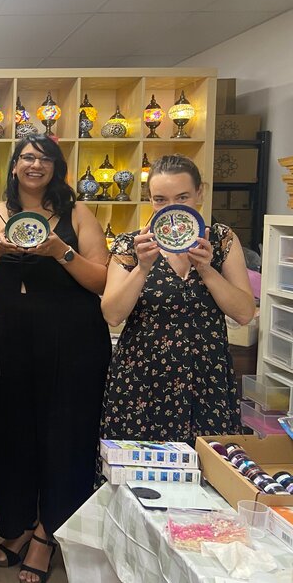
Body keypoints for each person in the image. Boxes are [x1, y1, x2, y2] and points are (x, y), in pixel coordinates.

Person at [0, 134, 110, 583]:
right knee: (14, 434)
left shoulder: (77, 213)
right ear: (13, 166)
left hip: (74, 339)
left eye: (45, 158)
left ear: (57, 168)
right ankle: (22, 523)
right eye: (27, 157)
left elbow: (101, 281)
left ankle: (48, 534)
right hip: (11, 339)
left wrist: (58, 251)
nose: (35, 164)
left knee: (65, 436)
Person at [101, 154, 255, 444]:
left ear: (200, 193)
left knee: (209, 471)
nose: (171, 209)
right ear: (150, 200)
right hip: (142, 379)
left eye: (182, 198)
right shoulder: (131, 245)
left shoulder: (221, 240)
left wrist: (206, 269)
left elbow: (245, 313)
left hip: (207, 379)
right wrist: (143, 267)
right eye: (160, 200)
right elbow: (112, 314)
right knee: (140, 475)